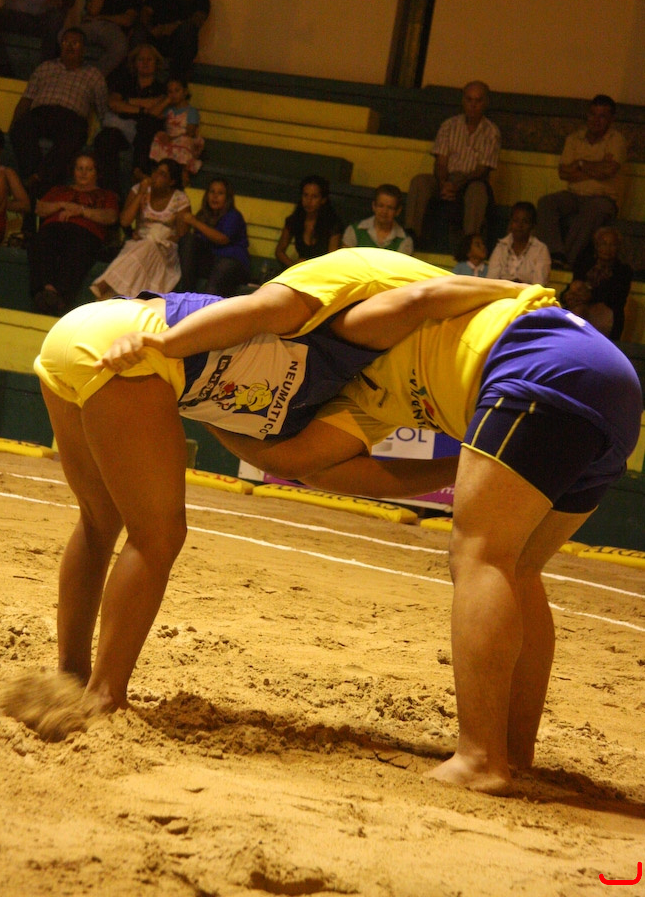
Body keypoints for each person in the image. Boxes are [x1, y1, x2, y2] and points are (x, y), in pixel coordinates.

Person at [198, 251, 641, 796]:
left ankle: (481, 759)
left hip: (537, 357)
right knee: (519, 568)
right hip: (610, 388)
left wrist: (513, 289)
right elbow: (297, 462)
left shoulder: (344, 318)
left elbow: (421, 297)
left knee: (480, 555)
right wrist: (201, 409)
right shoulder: (359, 392)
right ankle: (512, 751)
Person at [33, 248, 535, 723]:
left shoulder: (373, 392)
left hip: (81, 338)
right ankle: (104, 694)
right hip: (137, 346)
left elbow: (303, 465)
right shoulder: (357, 323)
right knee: (157, 537)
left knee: (100, 522)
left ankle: (70, 680)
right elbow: (272, 309)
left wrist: (469, 464)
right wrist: (518, 291)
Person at [9, 27, 108, 235]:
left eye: (75, 42)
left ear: (84, 49)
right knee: (19, 127)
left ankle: (37, 178)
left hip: (71, 118)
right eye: (66, 42)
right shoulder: (46, 67)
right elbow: (27, 98)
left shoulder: (94, 75)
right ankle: (37, 177)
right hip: (42, 112)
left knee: (76, 135)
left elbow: (103, 111)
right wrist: (15, 123)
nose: (69, 46)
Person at [404, 81, 501, 247]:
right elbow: (441, 162)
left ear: (485, 103)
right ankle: (410, 236)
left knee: (477, 191)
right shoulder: (449, 125)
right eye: (469, 100)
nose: (473, 105)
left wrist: (457, 185)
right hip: (446, 177)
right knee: (419, 182)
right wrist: (444, 183)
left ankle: (470, 243)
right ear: (463, 101)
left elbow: (482, 170)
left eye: (478, 101)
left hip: (472, 181)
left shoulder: (492, 132)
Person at [536, 95, 627, 270]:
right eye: (592, 114)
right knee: (546, 203)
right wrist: (597, 167)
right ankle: (554, 253)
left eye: (602, 116)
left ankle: (566, 261)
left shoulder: (617, 140)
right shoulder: (574, 138)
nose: (596, 120)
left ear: (611, 119)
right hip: (573, 195)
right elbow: (563, 172)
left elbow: (608, 171)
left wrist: (580, 164)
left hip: (603, 198)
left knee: (593, 210)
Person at [29, 153, 119, 314]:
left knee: (78, 245)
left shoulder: (106, 195)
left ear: (97, 172)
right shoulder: (59, 190)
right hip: (54, 229)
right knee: (41, 240)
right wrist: (62, 205)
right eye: (80, 168)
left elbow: (111, 217)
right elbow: (40, 209)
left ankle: (59, 296)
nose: (83, 173)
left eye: (89, 169)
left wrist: (81, 211)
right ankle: (46, 291)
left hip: (85, 233)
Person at [90, 159, 190, 299]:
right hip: (139, 242)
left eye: (162, 174)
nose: (155, 176)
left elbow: (182, 234)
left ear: (171, 181)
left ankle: (106, 287)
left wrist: (160, 236)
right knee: (142, 249)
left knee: (147, 246)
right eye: (155, 171)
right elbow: (125, 221)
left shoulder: (180, 199)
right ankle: (115, 295)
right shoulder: (139, 189)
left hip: (165, 248)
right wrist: (141, 194)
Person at [93, 44, 167, 197]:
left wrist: (128, 102)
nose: (145, 63)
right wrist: (143, 109)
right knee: (105, 138)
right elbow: (113, 104)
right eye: (141, 59)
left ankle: (139, 177)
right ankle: (111, 193)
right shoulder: (124, 82)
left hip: (147, 134)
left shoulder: (162, 87)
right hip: (122, 128)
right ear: (134, 63)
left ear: (156, 63)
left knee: (147, 126)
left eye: (149, 59)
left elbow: (158, 107)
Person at [134, 0, 210, 78]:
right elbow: (145, 13)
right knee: (139, 31)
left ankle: (176, 80)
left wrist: (173, 27)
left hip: (178, 44)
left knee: (187, 31)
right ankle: (135, 81)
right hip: (155, 40)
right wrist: (152, 29)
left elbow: (197, 21)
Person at [178, 177, 250, 296]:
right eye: (212, 192)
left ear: (227, 198)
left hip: (233, 264)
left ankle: (207, 305)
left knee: (222, 267)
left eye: (220, 193)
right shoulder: (203, 215)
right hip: (211, 261)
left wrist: (194, 222)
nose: (215, 196)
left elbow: (222, 239)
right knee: (188, 240)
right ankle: (187, 294)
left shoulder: (234, 216)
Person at [78, 0, 142, 79]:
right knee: (63, 35)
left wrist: (102, 17)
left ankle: (92, 78)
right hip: (91, 27)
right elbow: (93, 10)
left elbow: (127, 20)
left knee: (120, 48)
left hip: (114, 31)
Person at [561, 226, 633, 341]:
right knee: (574, 303)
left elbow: (616, 297)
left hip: (605, 312)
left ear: (618, 247)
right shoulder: (585, 264)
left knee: (578, 311)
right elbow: (573, 285)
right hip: (579, 304)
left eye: (612, 245)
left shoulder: (623, 270)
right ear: (597, 246)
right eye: (604, 244)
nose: (607, 248)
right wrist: (567, 296)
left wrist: (589, 296)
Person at [275, 175, 343, 267]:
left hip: (322, 270)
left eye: (314, 197)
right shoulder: (295, 220)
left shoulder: (333, 224)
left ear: (323, 200)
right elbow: (279, 251)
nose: (309, 201)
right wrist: (294, 266)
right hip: (300, 270)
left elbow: (332, 260)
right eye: (305, 195)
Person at [149, 76, 204, 175]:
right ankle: (159, 169)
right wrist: (166, 101)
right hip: (170, 138)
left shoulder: (191, 111)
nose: (173, 94)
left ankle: (182, 170)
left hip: (184, 138)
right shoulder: (169, 109)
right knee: (158, 136)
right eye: (170, 92)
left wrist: (172, 138)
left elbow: (190, 133)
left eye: (177, 91)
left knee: (184, 141)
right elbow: (152, 115)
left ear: (185, 92)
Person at [486, 202, 551, 285]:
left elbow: (539, 284)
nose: (520, 225)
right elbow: (491, 281)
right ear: (510, 223)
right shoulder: (501, 247)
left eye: (525, 221)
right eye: (516, 221)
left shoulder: (541, 250)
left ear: (533, 225)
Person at [342, 185, 414, 254]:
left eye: (390, 208)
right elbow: (345, 259)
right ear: (374, 206)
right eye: (381, 206)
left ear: (398, 211)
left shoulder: (405, 241)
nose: (384, 212)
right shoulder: (354, 231)